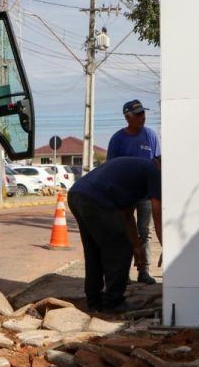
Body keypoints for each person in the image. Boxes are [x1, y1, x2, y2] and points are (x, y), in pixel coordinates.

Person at [67, 157, 162, 313]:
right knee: (120, 248)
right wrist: (167, 247)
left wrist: (137, 247)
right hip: (94, 199)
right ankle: (113, 302)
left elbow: (127, 216)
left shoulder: (139, 169)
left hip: (77, 195)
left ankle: (94, 301)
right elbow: (157, 216)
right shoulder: (154, 171)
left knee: (94, 251)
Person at [106, 99, 162, 284]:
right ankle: (123, 273)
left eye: (143, 113)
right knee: (125, 232)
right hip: (125, 194)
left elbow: (158, 163)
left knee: (144, 231)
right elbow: (110, 169)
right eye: (138, 114)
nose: (142, 117)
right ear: (127, 117)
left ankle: (144, 271)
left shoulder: (151, 136)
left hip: (146, 194)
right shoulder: (117, 139)